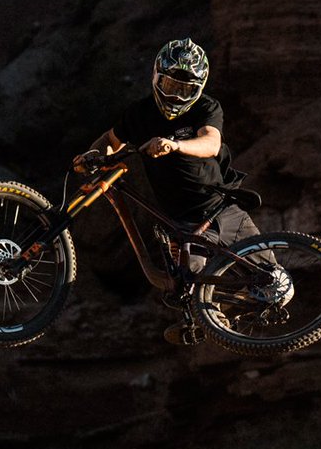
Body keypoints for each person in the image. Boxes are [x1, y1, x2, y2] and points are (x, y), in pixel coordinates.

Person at [73, 39, 261, 338]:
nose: (175, 95)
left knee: (274, 283)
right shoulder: (140, 114)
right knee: (189, 282)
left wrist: (174, 145)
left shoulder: (206, 107)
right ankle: (211, 319)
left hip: (221, 206)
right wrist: (91, 157)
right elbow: (110, 141)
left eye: (184, 89)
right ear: (156, 77)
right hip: (182, 218)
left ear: (198, 88)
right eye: (170, 85)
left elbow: (211, 143)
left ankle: (223, 314)